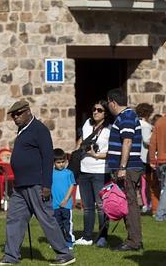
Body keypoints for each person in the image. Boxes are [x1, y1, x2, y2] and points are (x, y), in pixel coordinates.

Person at [0, 100, 75, 265]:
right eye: (13, 115)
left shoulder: (39, 129)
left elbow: (47, 158)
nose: (15, 117)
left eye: (18, 114)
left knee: (46, 219)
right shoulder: (22, 129)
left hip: (37, 184)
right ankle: (11, 256)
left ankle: (65, 254)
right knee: (14, 219)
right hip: (20, 186)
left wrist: (46, 185)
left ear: (27, 111)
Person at [106, 88, 144, 251]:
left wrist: (122, 167)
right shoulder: (124, 116)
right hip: (126, 168)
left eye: (108, 103)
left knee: (129, 204)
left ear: (112, 102)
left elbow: (127, 142)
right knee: (126, 203)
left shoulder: (127, 116)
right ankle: (133, 239)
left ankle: (134, 241)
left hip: (127, 168)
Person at [74, 100, 111, 248]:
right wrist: (78, 149)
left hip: (100, 171)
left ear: (105, 113)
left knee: (102, 206)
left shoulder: (109, 130)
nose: (95, 112)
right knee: (88, 206)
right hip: (84, 170)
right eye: (94, 109)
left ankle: (102, 236)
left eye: (99, 110)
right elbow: (82, 139)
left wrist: (95, 155)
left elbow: (111, 153)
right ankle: (87, 236)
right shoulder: (87, 125)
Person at [52, 149, 76, 249]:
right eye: (58, 162)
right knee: (58, 224)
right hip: (54, 204)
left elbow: (72, 186)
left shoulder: (68, 173)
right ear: (53, 163)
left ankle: (70, 241)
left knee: (67, 224)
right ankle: (59, 242)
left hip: (66, 204)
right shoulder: (50, 173)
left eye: (63, 162)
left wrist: (66, 200)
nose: (61, 164)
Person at [135, 103, 154, 214]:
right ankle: (146, 205)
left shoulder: (136, 123)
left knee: (141, 183)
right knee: (145, 183)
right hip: (144, 157)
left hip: (138, 156)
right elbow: (147, 140)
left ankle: (145, 204)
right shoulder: (145, 126)